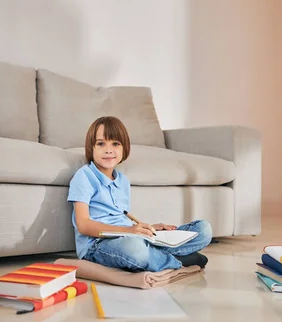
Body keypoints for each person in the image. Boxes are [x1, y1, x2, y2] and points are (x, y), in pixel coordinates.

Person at [67, 116, 212, 272]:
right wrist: (130, 232)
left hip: (129, 236)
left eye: (115, 143)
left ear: (124, 148)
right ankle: (175, 261)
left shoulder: (123, 181)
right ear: (91, 148)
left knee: (204, 229)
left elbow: (121, 218)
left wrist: (146, 228)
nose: (108, 150)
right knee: (135, 249)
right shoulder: (84, 176)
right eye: (101, 144)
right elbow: (83, 225)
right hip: (97, 245)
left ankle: (157, 255)